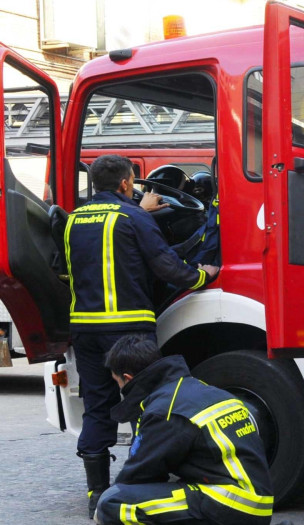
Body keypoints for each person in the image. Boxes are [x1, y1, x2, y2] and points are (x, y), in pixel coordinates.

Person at [66, 154, 220, 517]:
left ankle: (96, 494)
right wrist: (203, 275)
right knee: (145, 405)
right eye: (133, 182)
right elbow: (166, 265)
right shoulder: (133, 216)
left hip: (84, 329)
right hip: (127, 328)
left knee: (97, 406)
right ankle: (140, 484)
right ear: (125, 184)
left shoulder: (73, 218)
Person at [94, 334, 273, 524]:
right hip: (253, 502)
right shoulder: (197, 389)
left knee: (114, 503)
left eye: (118, 381)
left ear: (128, 379)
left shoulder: (165, 409)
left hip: (232, 506)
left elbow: (138, 475)